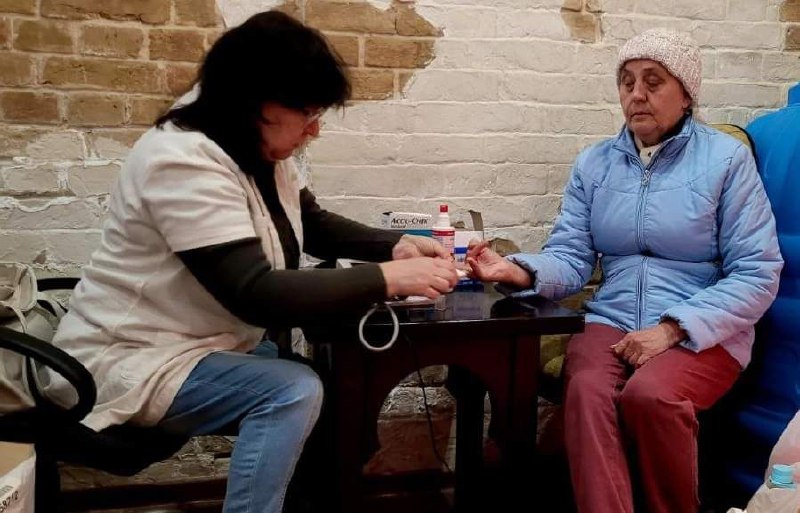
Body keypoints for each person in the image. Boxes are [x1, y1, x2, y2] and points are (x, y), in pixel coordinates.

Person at [46, 10, 458, 513]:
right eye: (307, 114)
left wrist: (394, 245)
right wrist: (388, 278)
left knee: (334, 400)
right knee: (292, 390)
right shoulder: (180, 160)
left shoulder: (253, 148)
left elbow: (310, 221)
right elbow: (255, 292)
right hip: (135, 354)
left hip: (203, 343)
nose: (314, 131)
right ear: (254, 104)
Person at [466, 28, 783, 513]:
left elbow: (757, 271)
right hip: (612, 319)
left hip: (704, 327)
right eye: (627, 81)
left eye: (653, 81)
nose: (636, 94)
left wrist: (673, 329)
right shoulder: (595, 164)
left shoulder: (726, 160)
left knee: (652, 397)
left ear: (686, 93)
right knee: (587, 390)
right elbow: (571, 256)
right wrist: (514, 270)